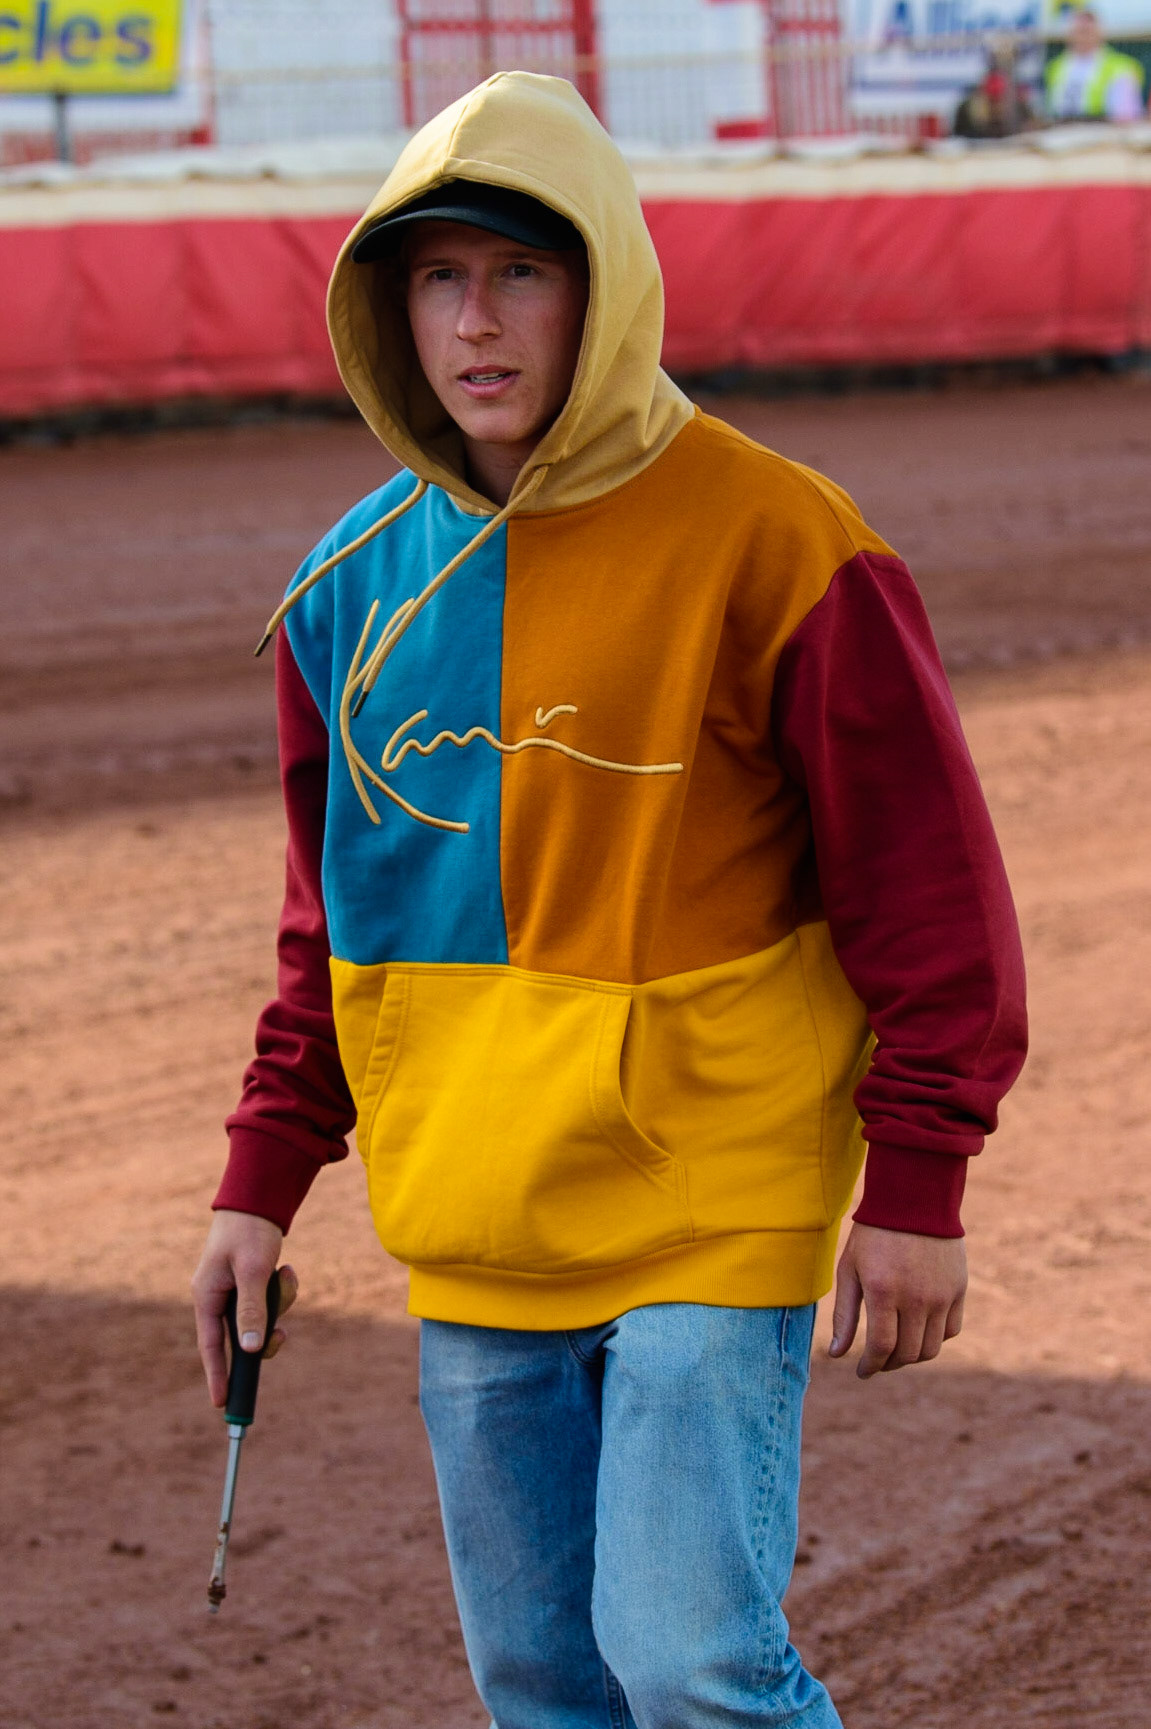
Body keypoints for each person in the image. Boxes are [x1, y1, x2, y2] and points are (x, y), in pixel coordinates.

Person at [192, 71, 1027, 1728]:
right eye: (437, 278)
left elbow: (929, 888)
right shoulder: (345, 590)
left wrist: (919, 1174)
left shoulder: (782, 541)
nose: (476, 322)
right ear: (388, 304)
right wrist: (261, 1175)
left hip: (712, 1186)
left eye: (522, 271)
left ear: (608, 288)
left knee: (689, 1660)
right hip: (480, 1208)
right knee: (543, 1681)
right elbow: (332, 926)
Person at [1045, 6, 1145, 121]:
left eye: (1086, 31)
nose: (1082, 37)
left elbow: (1125, 116)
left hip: (1102, 131)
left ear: (1100, 33)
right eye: (1078, 31)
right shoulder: (1055, 66)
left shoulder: (1121, 67)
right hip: (1060, 129)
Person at [953, 43, 1039, 138]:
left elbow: (1033, 129)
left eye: (999, 101)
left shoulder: (1019, 106)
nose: (996, 107)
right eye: (992, 101)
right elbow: (958, 138)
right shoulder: (967, 111)